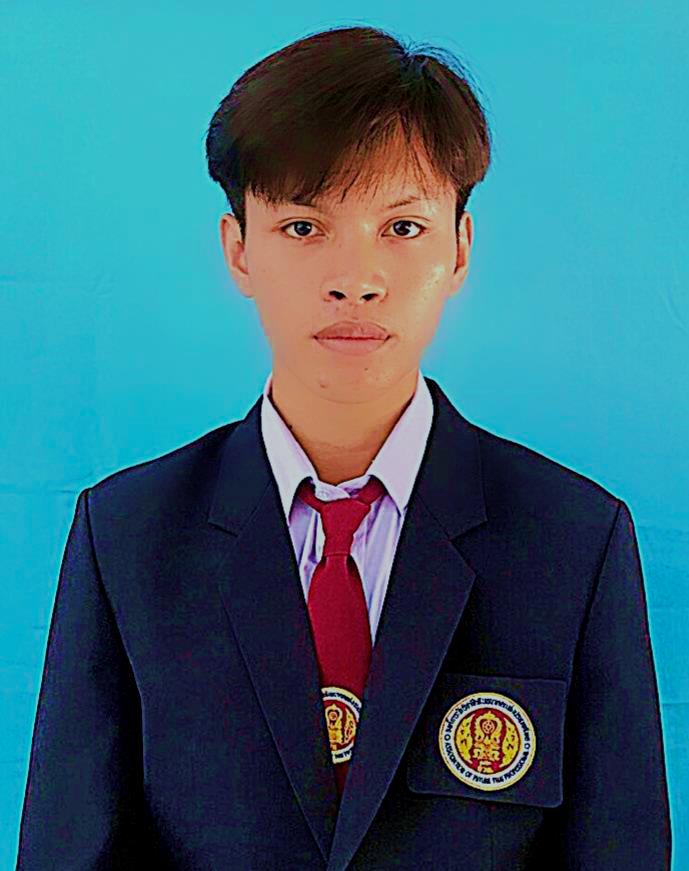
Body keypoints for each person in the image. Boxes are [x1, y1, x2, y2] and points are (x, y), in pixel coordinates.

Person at [16, 24, 671, 870]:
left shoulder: (573, 539)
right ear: (237, 249)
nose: (355, 279)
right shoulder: (129, 535)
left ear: (459, 248)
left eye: (401, 226)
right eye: (302, 226)